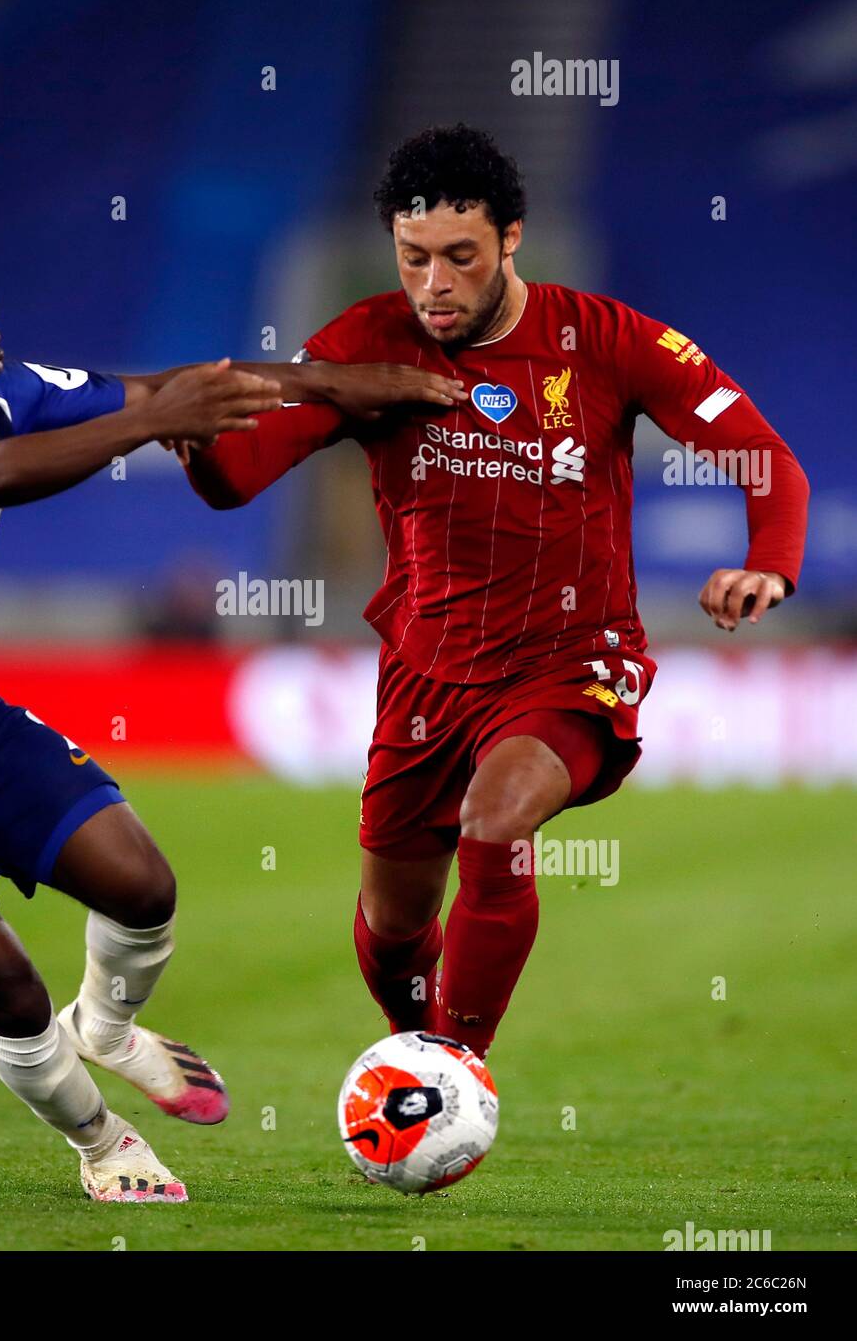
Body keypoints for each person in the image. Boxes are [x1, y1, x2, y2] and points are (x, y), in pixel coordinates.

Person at [0, 220, 460, 1201]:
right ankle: (100, 1143)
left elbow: (176, 385)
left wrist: (345, 386)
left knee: (143, 886)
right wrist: (148, 425)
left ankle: (112, 1029)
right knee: (8, 989)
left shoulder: (1, 393)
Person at [177, 125, 810, 1061]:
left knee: (497, 818)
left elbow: (763, 457)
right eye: (413, 258)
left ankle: (455, 1071)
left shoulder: (607, 338)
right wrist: (192, 435)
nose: (433, 284)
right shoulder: (364, 344)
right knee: (394, 926)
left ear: (510, 239)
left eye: (459, 258)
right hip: (426, 671)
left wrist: (769, 559)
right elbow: (241, 475)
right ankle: (413, 1047)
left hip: (571, 659)